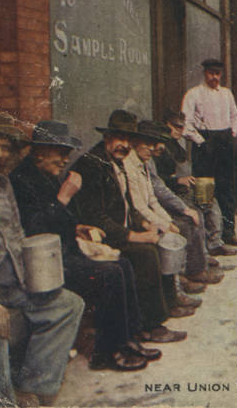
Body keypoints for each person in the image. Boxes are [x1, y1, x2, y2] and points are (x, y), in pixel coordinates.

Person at [10, 120, 159, 372]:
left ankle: (129, 337)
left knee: (122, 264)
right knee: (110, 273)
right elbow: (35, 229)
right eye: (61, 153)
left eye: (67, 153)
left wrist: (77, 228)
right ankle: (106, 353)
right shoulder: (21, 180)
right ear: (40, 151)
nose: (65, 160)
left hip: (61, 252)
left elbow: (55, 220)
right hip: (43, 265)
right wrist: (64, 197)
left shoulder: (45, 173)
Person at [0, 112, 85, 407]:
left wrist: (33, 276)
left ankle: (33, 387)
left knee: (68, 304)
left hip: (11, 284)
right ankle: (0, 401)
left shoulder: (2, 184)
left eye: (5, 148)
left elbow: (17, 234)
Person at [71, 109, 187, 345]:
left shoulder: (116, 161)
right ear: (107, 137)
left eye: (128, 140)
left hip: (118, 230)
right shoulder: (92, 165)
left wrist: (146, 224)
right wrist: (136, 236)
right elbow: (97, 218)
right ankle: (152, 325)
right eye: (119, 138)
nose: (124, 145)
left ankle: (158, 312)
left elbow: (129, 204)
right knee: (146, 254)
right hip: (98, 238)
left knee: (158, 240)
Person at [126, 121, 222, 293]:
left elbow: (153, 196)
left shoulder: (148, 160)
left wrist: (171, 217)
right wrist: (167, 222)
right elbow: (143, 203)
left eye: (155, 143)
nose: (154, 148)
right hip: (141, 217)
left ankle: (197, 266)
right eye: (149, 143)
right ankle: (183, 278)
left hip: (158, 206)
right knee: (185, 223)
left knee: (195, 213)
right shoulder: (131, 164)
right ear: (135, 142)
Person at [155, 109, 237, 257]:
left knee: (211, 201)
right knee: (196, 212)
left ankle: (215, 243)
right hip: (172, 192)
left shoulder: (177, 147)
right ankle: (202, 255)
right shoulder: (160, 149)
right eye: (175, 126)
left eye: (182, 127)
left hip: (185, 189)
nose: (180, 130)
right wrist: (177, 180)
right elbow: (157, 181)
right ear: (166, 125)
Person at [180, 58, 237, 247]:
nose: (214, 77)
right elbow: (185, 123)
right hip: (204, 144)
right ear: (205, 73)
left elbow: (235, 116)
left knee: (227, 188)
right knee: (204, 189)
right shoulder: (193, 94)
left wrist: (233, 134)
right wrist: (200, 141)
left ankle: (228, 233)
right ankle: (207, 237)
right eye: (211, 73)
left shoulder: (226, 94)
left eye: (217, 74)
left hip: (224, 142)